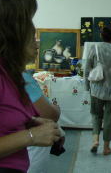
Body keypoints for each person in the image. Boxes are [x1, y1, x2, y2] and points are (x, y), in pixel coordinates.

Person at [0, 0, 61, 173]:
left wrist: (26, 123)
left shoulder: (2, 68)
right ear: (12, 26)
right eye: (28, 20)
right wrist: (30, 136)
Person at [23, 43, 65, 173]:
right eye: (30, 40)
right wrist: (55, 109)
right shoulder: (20, 77)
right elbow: (48, 114)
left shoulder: (22, 74)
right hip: (28, 154)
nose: (36, 45)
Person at [84, 26, 111, 155]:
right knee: (110, 118)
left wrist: (86, 85)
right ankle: (106, 148)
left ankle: (95, 140)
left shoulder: (94, 48)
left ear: (101, 36)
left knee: (96, 115)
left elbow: (86, 68)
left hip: (96, 89)